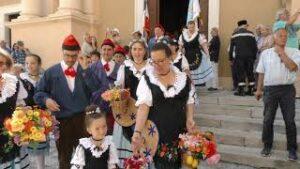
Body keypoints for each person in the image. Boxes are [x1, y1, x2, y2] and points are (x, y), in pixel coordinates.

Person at [132, 43, 196, 169]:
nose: (157, 65)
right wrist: (137, 132)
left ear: (170, 58)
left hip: (180, 133)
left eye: (160, 61)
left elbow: (189, 101)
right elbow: (143, 107)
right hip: (157, 135)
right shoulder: (148, 79)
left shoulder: (184, 79)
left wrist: (190, 118)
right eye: (153, 62)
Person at [34, 35, 92, 169]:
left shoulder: (85, 69)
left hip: (82, 121)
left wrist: (86, 72)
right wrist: (46, 99)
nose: (70, 59)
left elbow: (95, 90)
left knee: (85, 157)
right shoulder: (51, 72)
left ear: (79, 53)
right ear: (62, 52)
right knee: (64, 158)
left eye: (73, 56)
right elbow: (38, 93)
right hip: (61, 121)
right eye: (67, 55)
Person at [255, 26, 299, 161]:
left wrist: (281, 53)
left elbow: (292, 67)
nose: (283, 38)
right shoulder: (265, 53)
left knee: (290, 120)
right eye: (280, 35)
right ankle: (267, 145)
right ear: (274, 37)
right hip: (270, 90)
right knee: (268, 119)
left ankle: (292, 149)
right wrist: (258, 89)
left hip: (287, 90)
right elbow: (261, 72)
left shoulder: (294, 51)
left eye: (285, 36)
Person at [113, 40, 150, 167]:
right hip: (128, 111)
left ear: (145, 51)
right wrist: (117, 94)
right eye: (134, 49)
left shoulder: (151, 66)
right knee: (128, 141)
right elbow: (119, 88)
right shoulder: (124, 67)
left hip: (148, 111)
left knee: (146, 142)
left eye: (140, 49)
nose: (137, 52)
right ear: (130, 51)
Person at [79, 38, 119, 134]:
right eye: (104, 49)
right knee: (97, 135)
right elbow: (87, 88)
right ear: (100, 51)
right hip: (97, 108)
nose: (106, 52)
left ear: (113, 51)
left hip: (113, 110)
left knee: (112, 136)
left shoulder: (120, 67)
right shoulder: (92, 67)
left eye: (109, 49)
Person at [0, 49, 29, 168]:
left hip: (11, 136)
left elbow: (21, 107)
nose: (3, 67)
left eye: (5, 63)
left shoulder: (14, 82)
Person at [179, 20, 213, 86]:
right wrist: (179, 54)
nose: (191, 29)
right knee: (187, 70)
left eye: (192, 27)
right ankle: (189, 86)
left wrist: (208, 54)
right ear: (187, 27)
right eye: (190, 27)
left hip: (197, 55)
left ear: (195, 27)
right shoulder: (183, 35)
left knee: (195, 70)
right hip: (187, 55)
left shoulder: (198, 35)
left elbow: (204, 46)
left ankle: (193, 87)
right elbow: (180, 46)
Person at [229, 20, 257, 96]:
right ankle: (251, 90)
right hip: (250, 57)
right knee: (250, 73)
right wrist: (254, 57)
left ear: (239, 26)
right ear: (245, 26)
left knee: (240, 73)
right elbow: (255, 47)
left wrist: (230, 59)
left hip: (239, 57)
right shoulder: (251, 34)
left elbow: (231, 48)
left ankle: (241, 91)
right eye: (247, 26)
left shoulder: (234, 35)